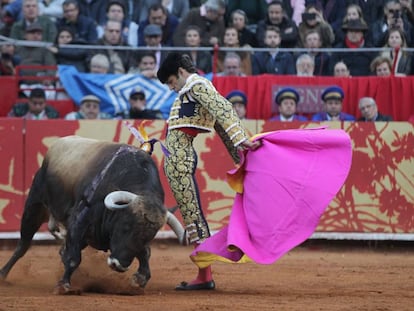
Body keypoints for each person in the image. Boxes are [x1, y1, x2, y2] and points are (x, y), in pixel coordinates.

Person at [156, 52, 261, 290]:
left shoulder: (196, 85)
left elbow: (222, 108)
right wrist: (239, 153)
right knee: (192, 216)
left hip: (180, 161)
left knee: (193, 218)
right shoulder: (192, 89)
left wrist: (240, 140)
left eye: (172, 82)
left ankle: (204, 276)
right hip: (177, 161)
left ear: (181, 72)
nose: (172, 88)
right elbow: (217, 121)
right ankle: (204, 274)